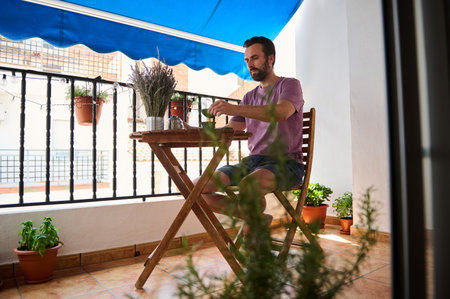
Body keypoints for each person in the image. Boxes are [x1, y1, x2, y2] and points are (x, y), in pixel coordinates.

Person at [191, 36, 305, 228]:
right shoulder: (248, 97)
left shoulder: (289, 85)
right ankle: (257, 219)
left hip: (287, 163)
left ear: (270, 58)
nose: (250, 64)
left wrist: (233, 109)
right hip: (252, 163)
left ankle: (254, 245)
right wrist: (193, 131)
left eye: (254, 58)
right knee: (195, 187)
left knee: (249, 186)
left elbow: (281, 113)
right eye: (247, 60)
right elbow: (229, 131)